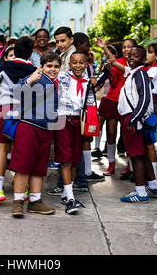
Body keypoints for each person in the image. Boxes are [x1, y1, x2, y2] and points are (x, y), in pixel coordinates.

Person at [0, 37, 37, 204]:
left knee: (0, 148)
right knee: (21, 150)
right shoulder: (34, 70)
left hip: (3, 109)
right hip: (25, 113)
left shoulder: (2, 67)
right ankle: (24, 188)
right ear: (30, 53)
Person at [10, 51, 61, 217]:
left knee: (39, 168)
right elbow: (15, 92)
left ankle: (35, 202)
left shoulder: (54, 83)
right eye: (49, 66)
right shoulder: (35, 78)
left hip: (45, 130)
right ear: (41, 66)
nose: (53, 69)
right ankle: (18, 203)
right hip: (28, 127)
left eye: (56, 66)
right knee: (23, 166)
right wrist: (30, 80)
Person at [116, 46, 157, 203]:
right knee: (141, 155)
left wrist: (133, 118)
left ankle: (141, 192)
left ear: (144, 60)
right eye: (129, 55)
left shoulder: (141, 73)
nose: (131, 58)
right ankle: (153, 186)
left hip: (134, 120)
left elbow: (144, 99)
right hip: (133, 119)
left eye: (135, 56)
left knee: (136, 156)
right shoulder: (134, 73)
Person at [55, 51, 98, 214]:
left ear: (86, 64)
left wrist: (92, 85)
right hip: (62, 119)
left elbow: (89, 103)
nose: (78, 66)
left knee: (74, 159)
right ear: (70, 64)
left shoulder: (88, 82)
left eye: (81, 63)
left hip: (78, 122)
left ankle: (67, 194)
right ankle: (71, 199)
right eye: (75, 63)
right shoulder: (63, 77)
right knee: (65, 159)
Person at [95, 38, 137, 176]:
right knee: (111, 133)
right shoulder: (117, 62)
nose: (126, 49)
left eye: (129, 47)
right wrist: (109, 71)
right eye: (124, 47)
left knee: (128, 136)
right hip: (113, 100)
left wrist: (104, 48)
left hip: (128, 103)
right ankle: (111, 164)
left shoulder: (136, 64)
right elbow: (113, 84)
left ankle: (130, 166)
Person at [144, 43, 157, 181]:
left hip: (152, 107)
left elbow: (142, 82)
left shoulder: (154, 70)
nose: (146, 55)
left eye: (150, 52)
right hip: (150, 105)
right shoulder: (152, 68)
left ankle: (154, 176)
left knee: (149, 142)